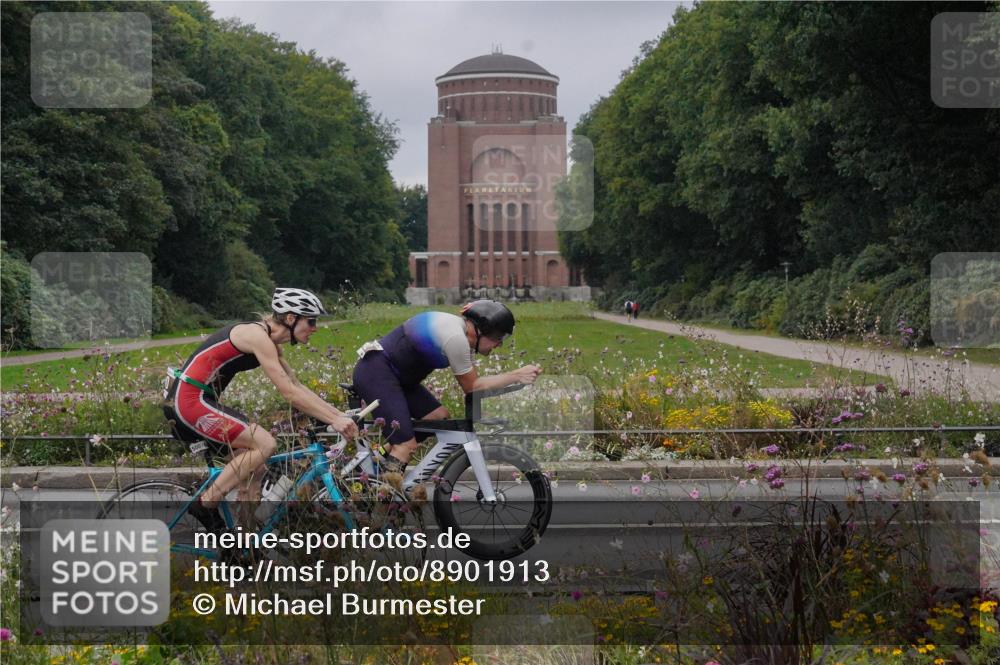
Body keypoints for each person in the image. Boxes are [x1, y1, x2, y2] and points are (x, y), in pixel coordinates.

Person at [163, 287, 358, 530]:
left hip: (197, 402)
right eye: (311, 320)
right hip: (190, 401)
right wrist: (335, 421)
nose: (315, 327)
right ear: (290, 318)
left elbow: (297, 385)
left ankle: (244, 543)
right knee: (265, 444)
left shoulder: (271, 345)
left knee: (257, 467)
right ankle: (205, 505)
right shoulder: (256, 336)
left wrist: (337, 416)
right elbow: (288, 393)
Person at [352, 300, 541, 473]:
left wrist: (514, 380)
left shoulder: (463, 337)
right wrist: (516, 375)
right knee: (405, 447)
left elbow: (475, 383)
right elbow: (473, 386)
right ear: (481, 329)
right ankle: (382, 499)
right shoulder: (456, 338)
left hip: (397, 378)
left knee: (438, 418)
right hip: (377, 373)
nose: (499, 344)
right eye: (498, 337)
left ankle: (380, 455)